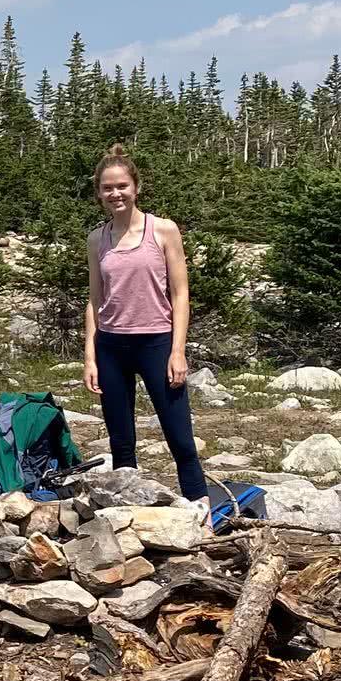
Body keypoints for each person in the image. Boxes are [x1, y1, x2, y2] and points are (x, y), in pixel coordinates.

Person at [79, 144, 207, 503]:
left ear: (136, 187)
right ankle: (127, 514)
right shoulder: (97, 239)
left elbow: (180, 293)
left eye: (122, 186)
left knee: (180, 440)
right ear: (99, 193)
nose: (115, 194)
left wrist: (178, 351)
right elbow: (95, 299)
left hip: (156, 343)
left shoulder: (163, 230)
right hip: (111, 346)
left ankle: (204, 514)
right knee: (121, 442)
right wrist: (90, 356)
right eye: (107, 188)